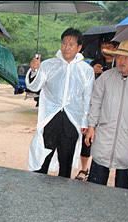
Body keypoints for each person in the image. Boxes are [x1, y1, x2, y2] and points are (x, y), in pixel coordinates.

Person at [85, 39, 128, 189]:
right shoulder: (105, 78)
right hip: (105, 133)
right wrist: (91, 125)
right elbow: (95, 102)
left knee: (123, 177)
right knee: (96, 180)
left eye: (127, 58)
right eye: (120, 57)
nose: (122, 61)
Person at [26, 28, 94, 178]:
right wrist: (34, 71)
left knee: (66, 162)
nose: (66, 48)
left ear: (79, 47)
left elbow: (87, 98)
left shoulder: (86, 70)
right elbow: (34, 86)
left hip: (71, 121)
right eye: (64, 43)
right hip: (51, 118)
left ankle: (62, 194)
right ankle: (37, 192)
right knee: (43, 158)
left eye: (71, 44)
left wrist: (84, 122)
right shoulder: (49, 65)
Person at [76, 38, 119, 181]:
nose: (106, 49)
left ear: (116, 47)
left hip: (112, 108)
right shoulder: (95, 63)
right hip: (95, 107)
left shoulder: (119, 64)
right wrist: (93, 73)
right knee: (87, 139)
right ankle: (84, 169)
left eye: (109, 46)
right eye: (103, 46)